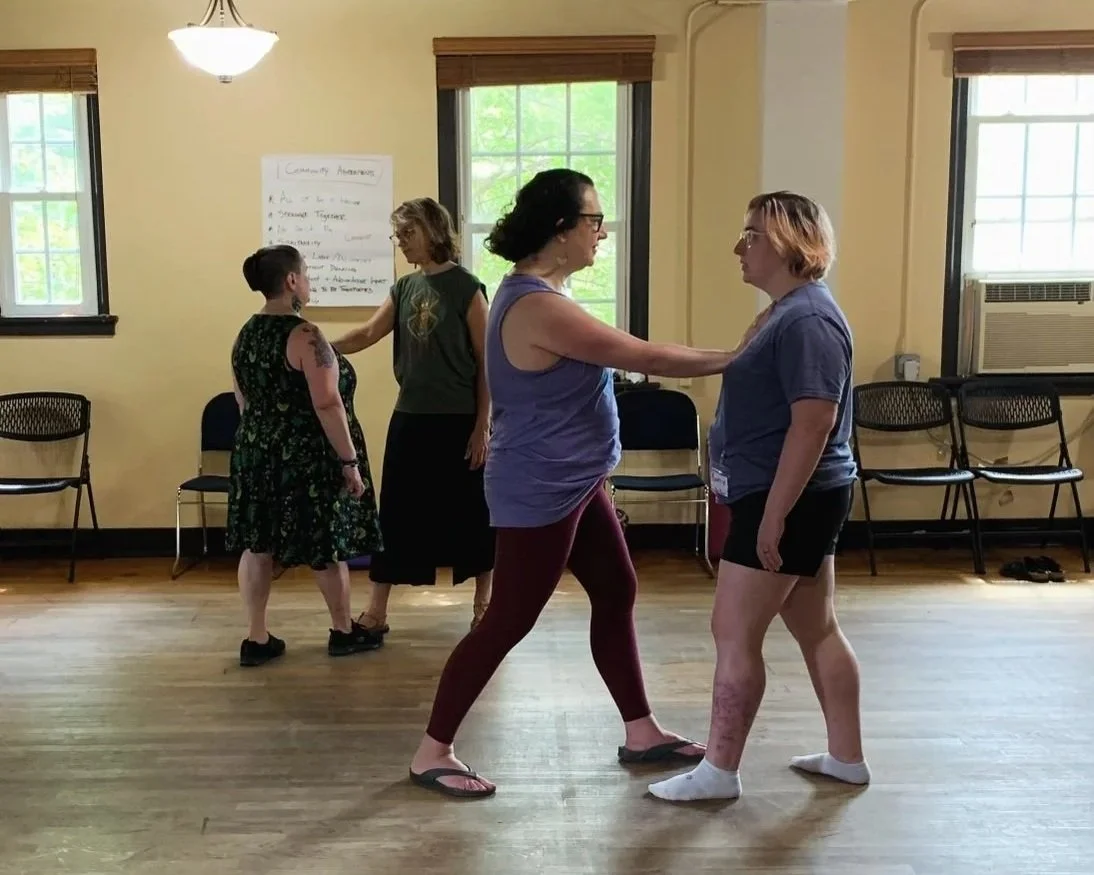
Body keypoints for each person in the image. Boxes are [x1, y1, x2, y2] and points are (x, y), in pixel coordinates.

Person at [407, 168, 738, 798]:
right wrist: (739, 354)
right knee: (508, 618)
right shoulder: (536, 305)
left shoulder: (541, 294)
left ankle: (642, 731)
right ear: (561, 231)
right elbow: (645, 356)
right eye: (593, 220)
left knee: (615, 590)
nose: (602, 231)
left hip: (576, 482)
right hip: (540, 488)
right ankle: (432, 750)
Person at [648, 191, 868, 803]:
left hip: (788, 497)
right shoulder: (787, 312)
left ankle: (718, 771)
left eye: (753, 236)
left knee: (733, 631)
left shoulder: (808, 320)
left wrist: (772, 518)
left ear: (792, 244)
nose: (739, 247)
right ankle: (846, 757)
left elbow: (814, 422)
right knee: (816, 626)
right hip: (789, 494)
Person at [332, 198, 493, 635]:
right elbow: (367, 333)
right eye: (398, 235)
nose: (401, 242)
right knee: (399, 513)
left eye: (408, 233)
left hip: (460, 420)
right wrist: (321, 347)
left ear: (433, 232)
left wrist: (483, 425)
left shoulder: (468, 288)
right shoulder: (403, 288)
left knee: (472, 512)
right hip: (412, 416)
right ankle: (377, 612)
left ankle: (484, 607)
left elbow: (487, 363)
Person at [227, 244, 385, 667]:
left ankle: (256, 638)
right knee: (324, 544)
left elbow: (243, 399)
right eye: (307, 274)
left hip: (255, 450)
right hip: (307, 457)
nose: (309, 281)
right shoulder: (305, 335)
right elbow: (328, 404)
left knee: (257, 544)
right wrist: (349, 463)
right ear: (292, 281)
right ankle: (343, 630)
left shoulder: (246, 334)